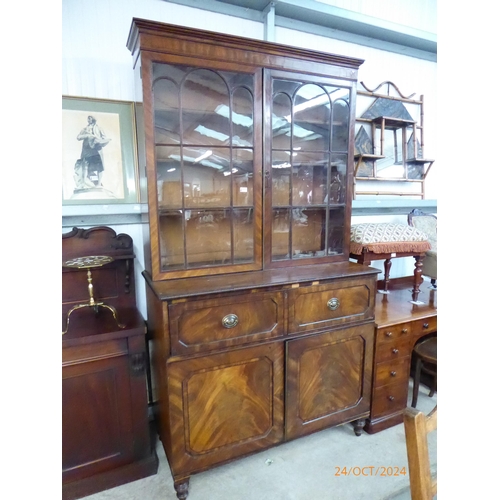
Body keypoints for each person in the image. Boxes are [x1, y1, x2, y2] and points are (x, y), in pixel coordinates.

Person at [75, 115, 110, 188]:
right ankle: (87, 183)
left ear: (93, 119)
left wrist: (99, 141)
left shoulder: (99, 128)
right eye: (88, 118)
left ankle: (99, 184)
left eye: (90, 118)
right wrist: (87, 135)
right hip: (87, 150)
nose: (88, 119)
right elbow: (78, 137)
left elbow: (104, 138)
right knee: (86, 167)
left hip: (96, 150)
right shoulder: (85, 129)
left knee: (99, 167)